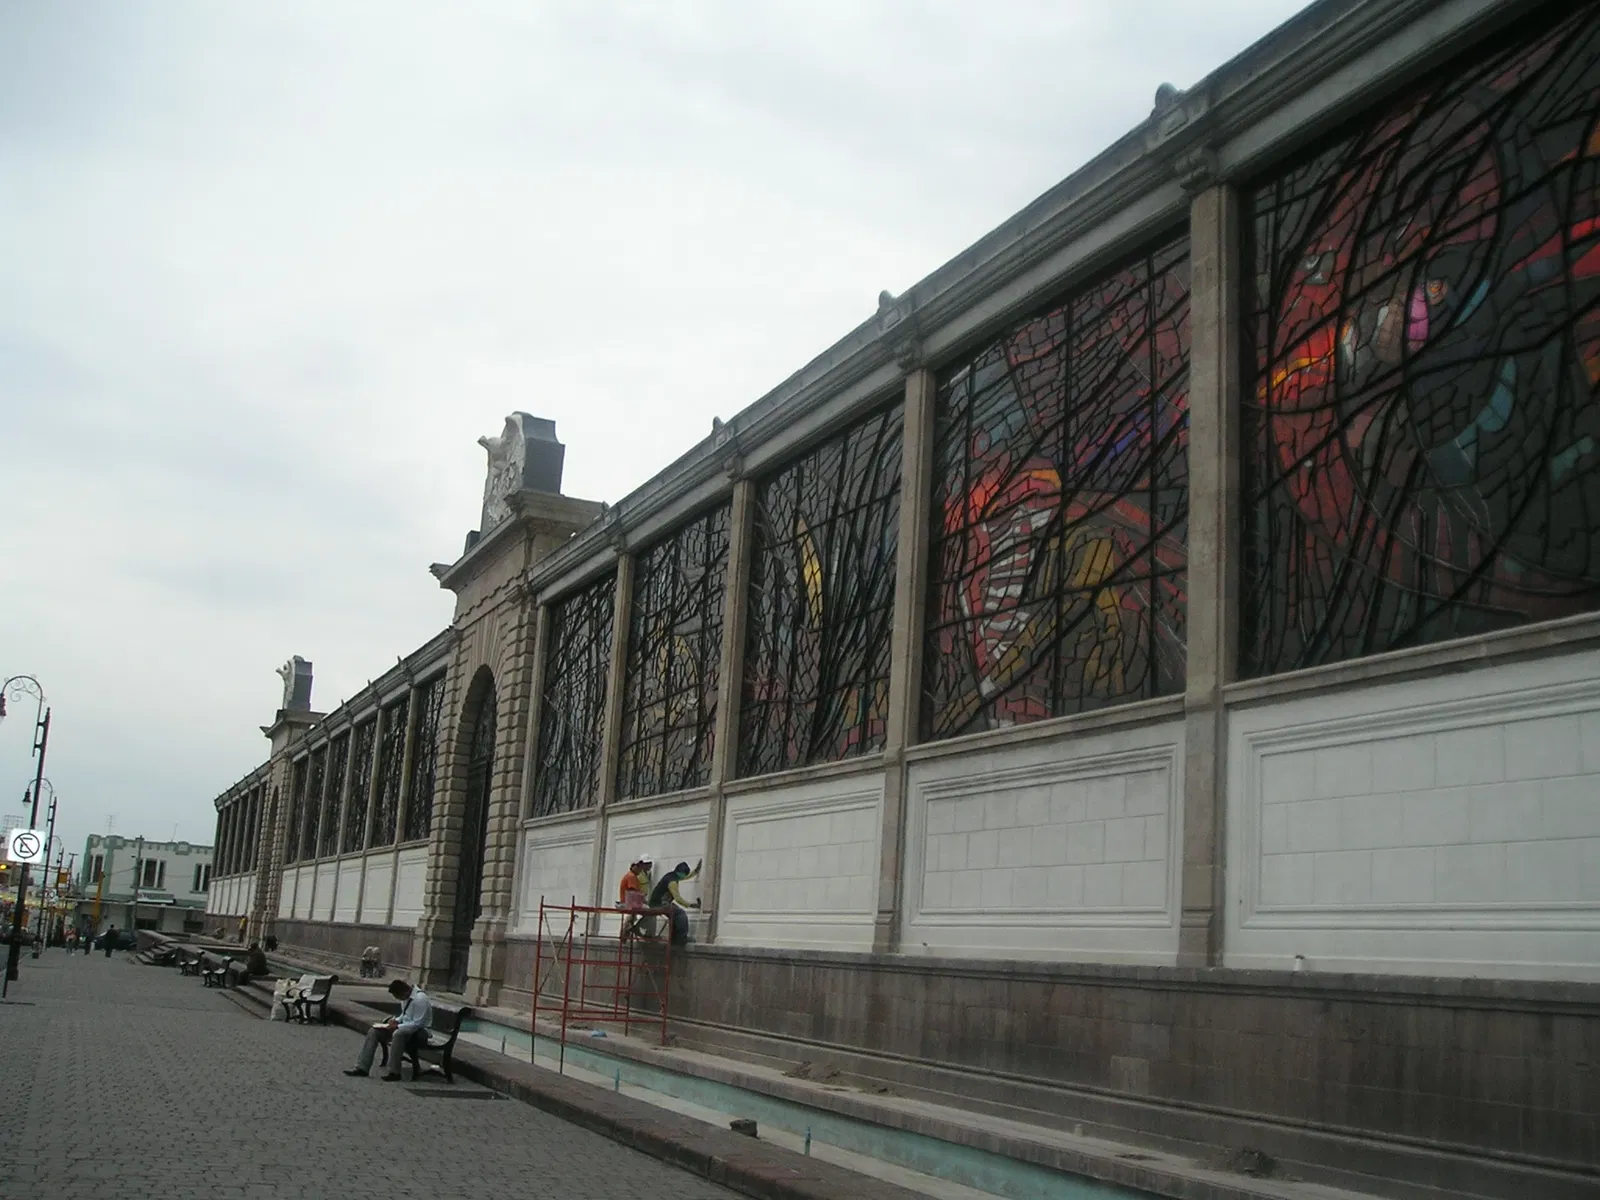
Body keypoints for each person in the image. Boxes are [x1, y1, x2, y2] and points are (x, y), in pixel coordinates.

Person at [344, 978, 431, 1080]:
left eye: (398, 997)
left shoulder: (420, 999)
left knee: (398, 1034)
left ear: (405, 992)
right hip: (405, 1027)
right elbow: (405, 1015)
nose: (399, 999)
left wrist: (398, 1026)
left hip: (420, 1032)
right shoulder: (406, 998)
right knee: (374, 1031)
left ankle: (394, 1072)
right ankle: (362, 1068)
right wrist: (396, 1020)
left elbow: (418, 1023)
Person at [647, 860, 702, 946]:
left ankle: (674, 938)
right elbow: (678, 898)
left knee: (674, 914)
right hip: (658, 905)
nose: (684, 876)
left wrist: (696, 871)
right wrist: (691, 905)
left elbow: (685, 877)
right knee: (680, 914)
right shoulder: (672, 882)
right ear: (680, 872)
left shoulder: (672, 875)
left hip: (657, 903)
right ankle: (681, 938)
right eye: (684, 874)